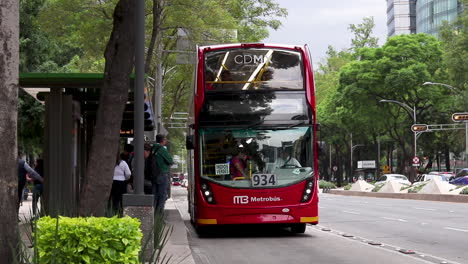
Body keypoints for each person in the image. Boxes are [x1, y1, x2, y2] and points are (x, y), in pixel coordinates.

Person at [152, 134, 173, 214]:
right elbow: (170, 161)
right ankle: (159, 217)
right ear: (163, 140)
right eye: (165, 139)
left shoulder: (153, 148)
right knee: (162, 196)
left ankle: (154, 214)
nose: (166, 141)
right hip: (162, 174)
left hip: (154, 175)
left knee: (155, 196)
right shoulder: (162, 149)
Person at [109, 150, 131, 216]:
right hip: (121, 183)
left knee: (114, 199)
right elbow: (128, 173)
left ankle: (113, 213)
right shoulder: (123, 163)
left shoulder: (111, 162)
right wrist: (126, 178)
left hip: (113, 182)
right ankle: (121, 214)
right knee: (122, 199)